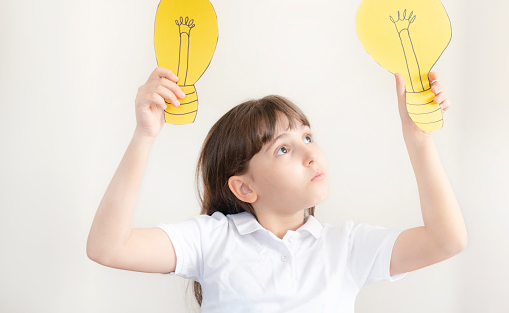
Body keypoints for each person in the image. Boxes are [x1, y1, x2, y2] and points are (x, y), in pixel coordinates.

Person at [87, 67, 467, 312]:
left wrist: (419, 140)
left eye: (307, 136)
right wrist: (144, 136)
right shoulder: (211, 240)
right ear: (244, 187)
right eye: (283, 149)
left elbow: (446, 240)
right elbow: (108, 247)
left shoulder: (346, 248)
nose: (311, 153)